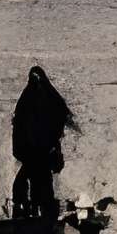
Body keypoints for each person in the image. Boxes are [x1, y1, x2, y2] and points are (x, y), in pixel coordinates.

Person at [11, 65, 74, 225]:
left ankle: (40, 212)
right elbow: (19, 123)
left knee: (42, 183)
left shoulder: (48, 98)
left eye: (38, 79)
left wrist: (52, 141)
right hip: (30, 152)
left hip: (43, 151)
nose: (36, 82)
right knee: (25, 182)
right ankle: (26, 209)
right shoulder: (26, 100)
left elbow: (59, 112)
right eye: (34, 79)